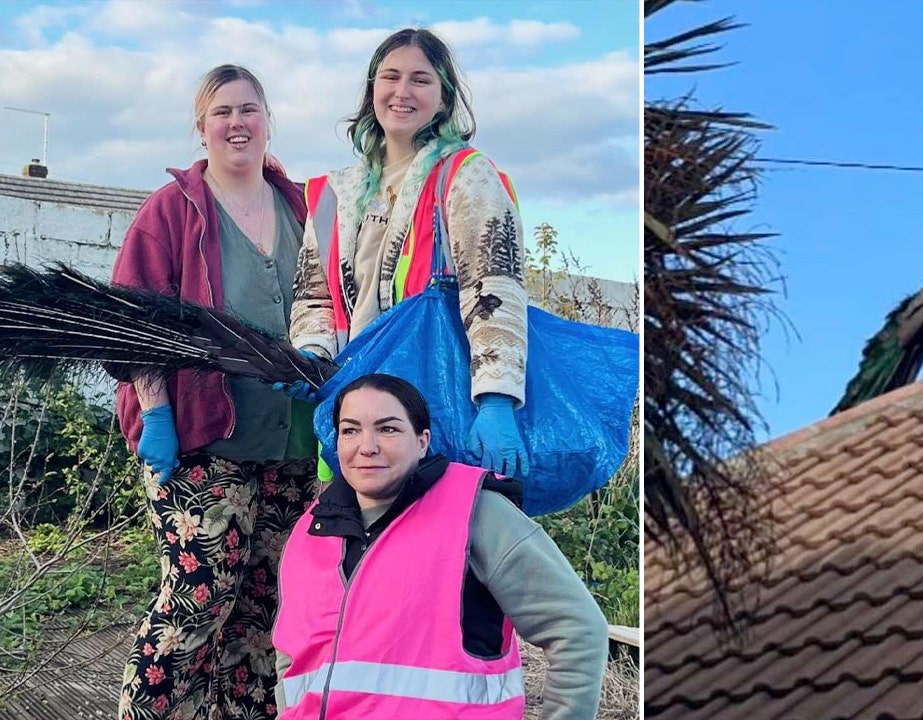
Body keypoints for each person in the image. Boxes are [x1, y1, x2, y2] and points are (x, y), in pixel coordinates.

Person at [112, 64, 317, 720]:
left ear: (267, 121)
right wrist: (156, 412)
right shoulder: (172, 210)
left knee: (261, 613)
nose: (237, 123)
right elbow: (135, 322)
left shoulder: (300, 208)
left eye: (249, 110)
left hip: (290, 443)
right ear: (201, 128)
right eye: (222, 111)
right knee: (195, 605)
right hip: (200, 441)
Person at [272, 373, 607, 719]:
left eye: (387, 429)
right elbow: (292, 655)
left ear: (422, 441)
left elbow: (578, 630)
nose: (366, 446)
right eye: (350, 430)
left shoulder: (477, 513)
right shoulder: (311, 530)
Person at [289, 27, 529, 477]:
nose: (402, 91)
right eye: (390, 77)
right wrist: (312, 355)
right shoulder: (330, 195)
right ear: (372, 91)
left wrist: (497, 399)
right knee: (355, 541)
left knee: (433, 541)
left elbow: (495, 286)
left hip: (435, 410)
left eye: (420, 79)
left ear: (443, 98)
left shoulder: (466, 177)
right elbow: (314, 298)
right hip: (352, 411)